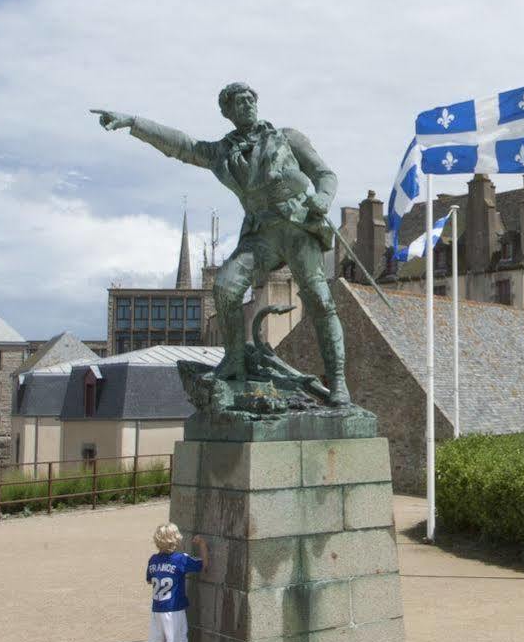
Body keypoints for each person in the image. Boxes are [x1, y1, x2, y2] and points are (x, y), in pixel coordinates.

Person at [92, 82, 349, 402]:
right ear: (227, 112)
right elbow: (182, 145)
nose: (246, 105)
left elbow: (325, 174)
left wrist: (323, 199)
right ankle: (235, 360)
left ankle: (338, 382)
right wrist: (133, 122)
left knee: (320, 299)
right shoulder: (222, 153)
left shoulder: (286, 138)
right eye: (238, 102)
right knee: (225, 287)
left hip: (297, 227)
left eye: (250, 99)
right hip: (261, 234)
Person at [146, 521, 207, 642]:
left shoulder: (153, 560)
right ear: (176, 540)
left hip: (157, 608)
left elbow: (150, 579)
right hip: (173, 608)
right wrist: (202, 545)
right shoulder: (180, 559)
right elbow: (202, 565)